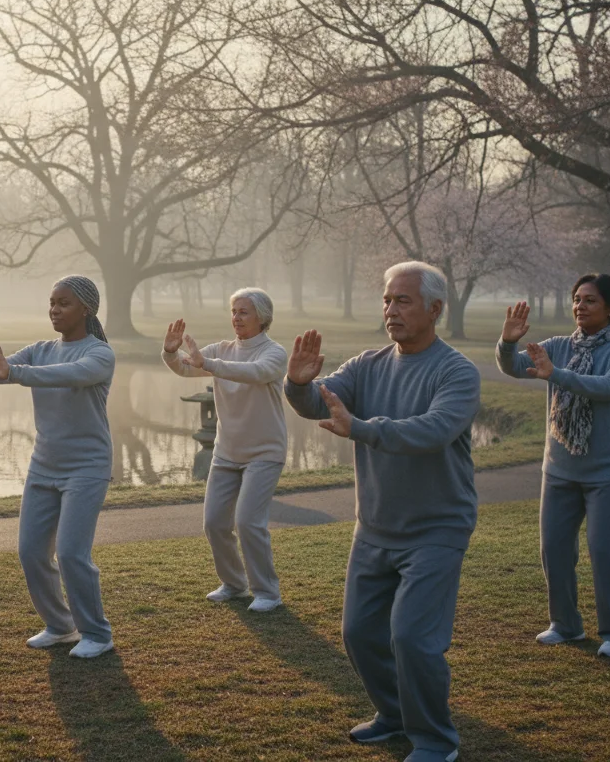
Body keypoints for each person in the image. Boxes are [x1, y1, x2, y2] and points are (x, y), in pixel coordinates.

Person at [285, 261, 479, 762]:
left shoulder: (456, 371)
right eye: (388, 300)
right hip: (374, 527)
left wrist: (364, 429)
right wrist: (298, 385)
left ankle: (437, 740)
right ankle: (393, 715)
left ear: (436, 309)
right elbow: (318, 402)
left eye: (404, 301)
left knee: (413, 638)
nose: (391, 310)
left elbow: (433, 430)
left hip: (437, 528)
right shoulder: (367, 363)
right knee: (360, 633)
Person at [0, 275, 116, 659]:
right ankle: (60, 626)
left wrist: (15, 373)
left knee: (70, 554)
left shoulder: (99, 354)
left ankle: (97, 634)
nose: (54, 309)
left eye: (63, 303)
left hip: (87, 467)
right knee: (32, 552)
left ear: (85, 308)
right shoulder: (39, 349)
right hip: (44, 467)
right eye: (51, 302)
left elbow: (64, 376)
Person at [497, 273, 610, 658]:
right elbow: (513, 367)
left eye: (591, 300)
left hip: (609, 472)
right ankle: (565, 625)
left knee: (604, 550)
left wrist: (556, 374)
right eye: (577, 299)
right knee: (555, 549)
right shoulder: (558, 346)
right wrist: (508, 341)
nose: (580, 306)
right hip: (560, 469)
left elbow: (609, 387)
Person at [161, 288, 288, 612]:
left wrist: (211, 364)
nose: (236, 317)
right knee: (215, 522)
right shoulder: (221, 350)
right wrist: (171, 353)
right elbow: (188, 368)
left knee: (248, 522)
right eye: (233, 311)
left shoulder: (274, 353)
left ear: (262, 317)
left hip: (265, 452)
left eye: (243, 312)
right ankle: (234, 584)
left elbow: (254, 373)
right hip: (226, 452)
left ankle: (267, 592)